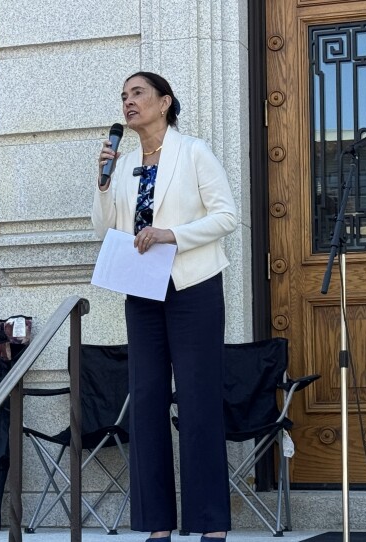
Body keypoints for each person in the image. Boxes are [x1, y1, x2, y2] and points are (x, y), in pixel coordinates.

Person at [92, 72, 237, 541]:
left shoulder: (193, 151)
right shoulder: (127, 161)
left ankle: (210, 525)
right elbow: (106, 229)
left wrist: (172, 234)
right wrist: (102, 182)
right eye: (124, 96)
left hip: (193, 287)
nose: (128, 102)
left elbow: (226, 217)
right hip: (143, 290)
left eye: (138, 94)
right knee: (147, 402)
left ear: (164, 102)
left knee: (197, 402)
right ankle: (157, 526)